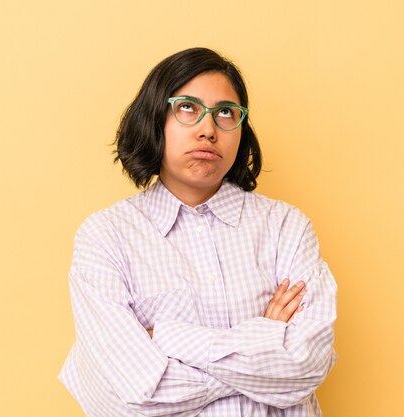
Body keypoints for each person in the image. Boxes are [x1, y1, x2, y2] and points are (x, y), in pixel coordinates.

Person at [58, 47, 338, 417]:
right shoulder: (106, 237)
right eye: (187, 107)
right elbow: (130, 399)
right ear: (155, 119)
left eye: (226, 113)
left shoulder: (285, 227)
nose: (208, 129)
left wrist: (169, 339)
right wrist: (264, 338)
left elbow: (306, 366)